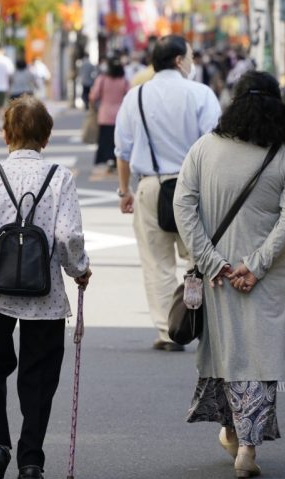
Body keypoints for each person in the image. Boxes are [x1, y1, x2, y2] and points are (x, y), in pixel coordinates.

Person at [173, 71, 285, 479]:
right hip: (265, 276)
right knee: (261, 357)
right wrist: (258, 262)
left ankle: (232, 431)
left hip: (217, 276)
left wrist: (213, 260)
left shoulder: (204, 149)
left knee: (227, 353)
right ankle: (247, 446)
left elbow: (184, 207)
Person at [0, 95, 91, 479]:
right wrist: (79, 270)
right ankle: (31, 461)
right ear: (46, 136)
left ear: (6, 134)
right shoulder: (61, 178)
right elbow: (68, 237)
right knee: (39, 375)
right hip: (43, 292)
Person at [114, 35, 221, 351]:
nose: (192, 62)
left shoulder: (136, 96)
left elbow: (122, 149)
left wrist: (124, 191)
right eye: (190, 56)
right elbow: (215, 145)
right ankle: (203, 324)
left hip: (151, 185)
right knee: (201, 260)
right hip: (196, 187)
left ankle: (168, 331)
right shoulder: (201, 94)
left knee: (157, 262)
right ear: (178, 60)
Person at [89, 57, 129, 171]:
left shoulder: (102, 79)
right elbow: (129, 95)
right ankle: (118, 160)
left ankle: (108, 160)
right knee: (119, 141)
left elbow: (93, 96)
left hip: (105, 114)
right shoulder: (124, 80)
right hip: (120, 115)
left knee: (105, 139)